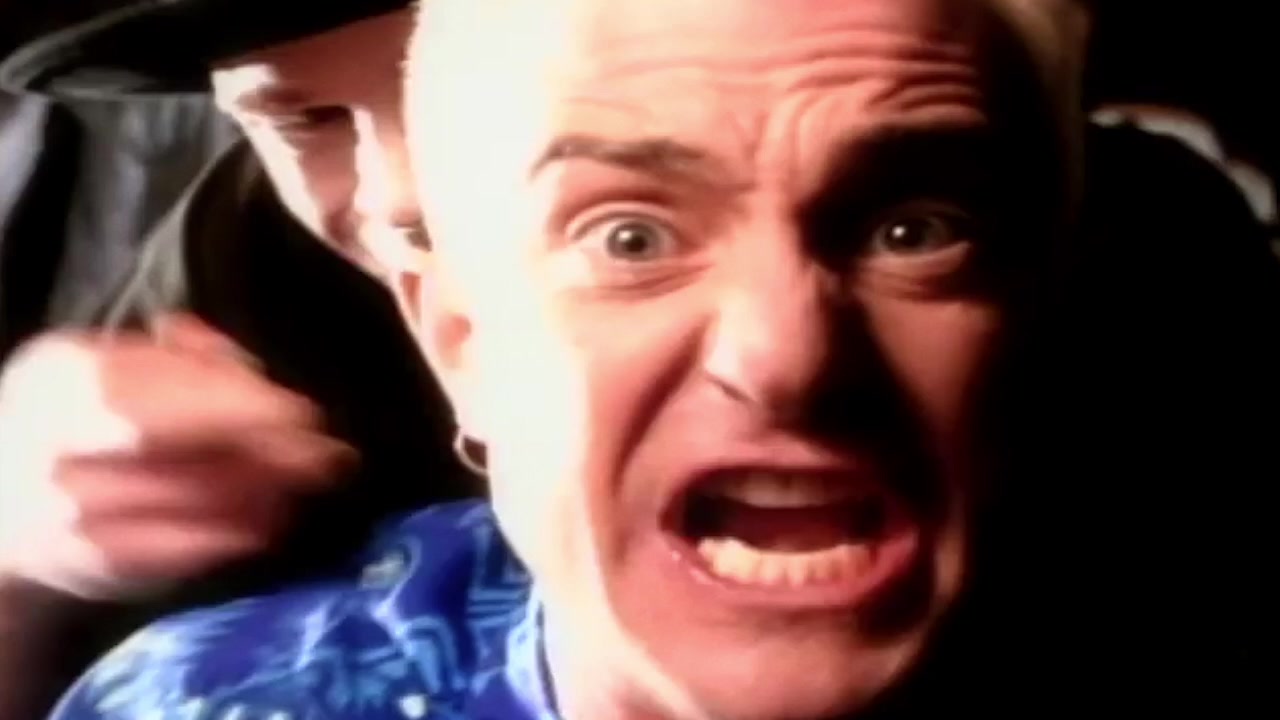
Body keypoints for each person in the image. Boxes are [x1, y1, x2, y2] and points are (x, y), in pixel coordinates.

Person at [46, 0, 1098, 718]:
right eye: (310, 119)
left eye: (911, 230)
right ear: (452, 329)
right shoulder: (241, 256)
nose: (395, 194)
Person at [0, 2, 471, 717]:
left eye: (462, 89)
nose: (398, 192)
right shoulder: (256, 248)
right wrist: (22, 560)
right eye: (306, 121)